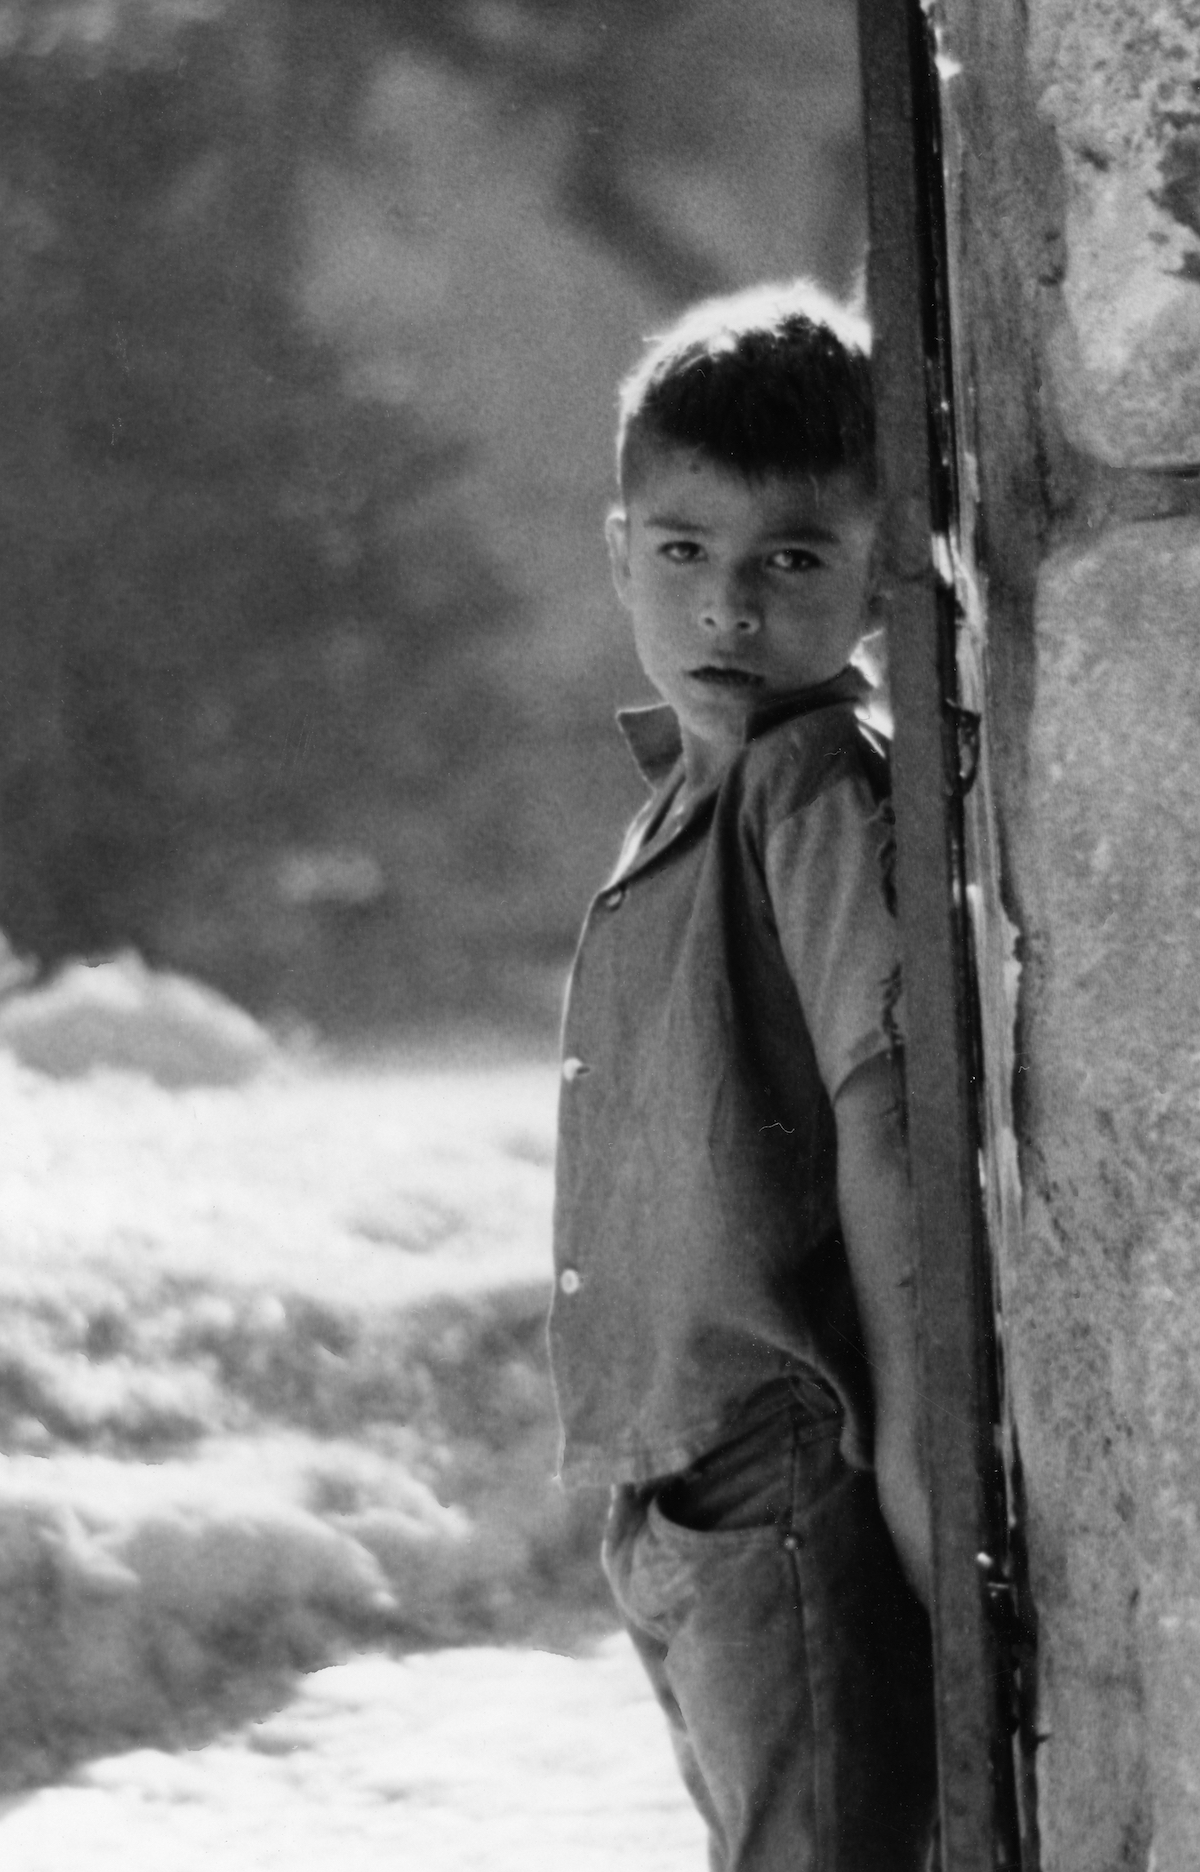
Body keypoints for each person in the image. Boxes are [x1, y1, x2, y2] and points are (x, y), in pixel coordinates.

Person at [548, 282, 938, 1870]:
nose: (728, 611)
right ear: (618, 548)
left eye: (791, 561)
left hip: (787, 1462)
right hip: (675, 1484)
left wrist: (911, 1436)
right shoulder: (675, 800)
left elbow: (884, 1105)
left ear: (878, 573)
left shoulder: (815, 788)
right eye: (683, 553)